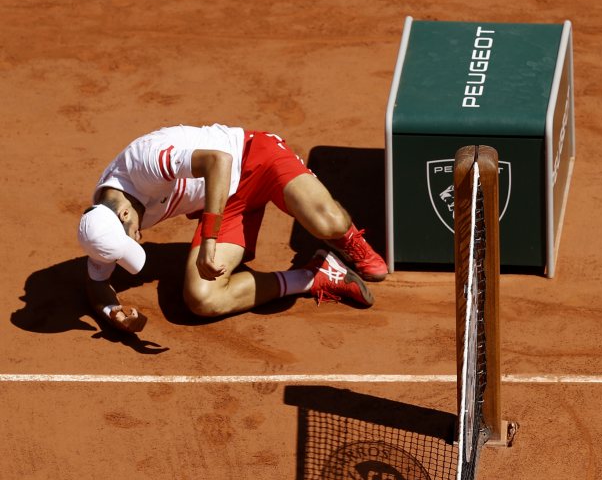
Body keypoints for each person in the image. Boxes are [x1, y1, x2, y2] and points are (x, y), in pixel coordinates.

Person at [77, 124, 388, 333]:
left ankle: (349, 241)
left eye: (131, 237)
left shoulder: (141, 163)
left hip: (254, 159)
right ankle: (316, 275)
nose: (137, 239)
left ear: (124, 212)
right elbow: (96, 285)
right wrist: (113, 313)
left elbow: (219, 162)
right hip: (227, 205)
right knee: (202, 300)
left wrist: (209, 240)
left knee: (327, 222)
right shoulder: (102, 226)